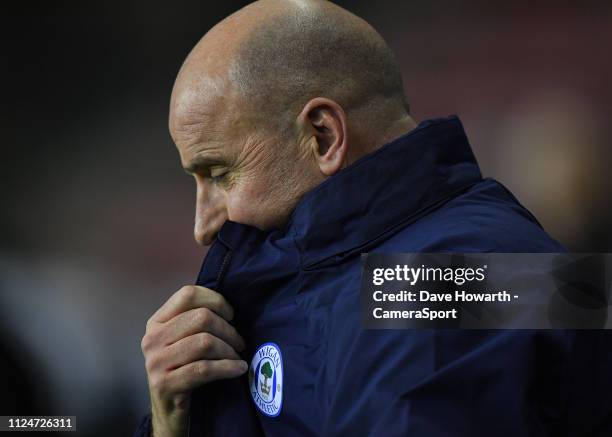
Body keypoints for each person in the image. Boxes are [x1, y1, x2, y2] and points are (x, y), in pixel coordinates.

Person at [135, 0, 612, 436]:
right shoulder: (300, 277)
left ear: (322, 136)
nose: (202, 227)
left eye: (220, 173)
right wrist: (169, 424)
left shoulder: (457, 274)